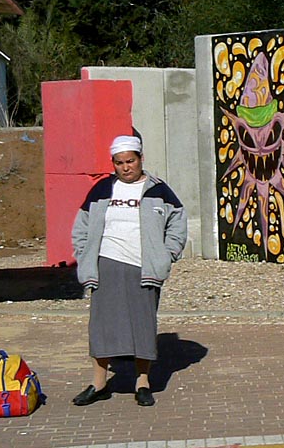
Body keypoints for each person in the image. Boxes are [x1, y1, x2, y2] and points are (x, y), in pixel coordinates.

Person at [71, 135, 187, 407]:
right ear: (113, 163)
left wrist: (166, 255)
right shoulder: (101, 190)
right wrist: (84, 254)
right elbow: (82, 226)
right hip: (106, 264)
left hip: (143, 266)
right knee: (101, 325)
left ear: (141, 159)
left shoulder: (159, 190)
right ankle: (98, 383)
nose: (125, 167)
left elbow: (177, 225)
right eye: (119, 162)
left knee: (142, 324)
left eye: (130, 161)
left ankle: (142, 382)